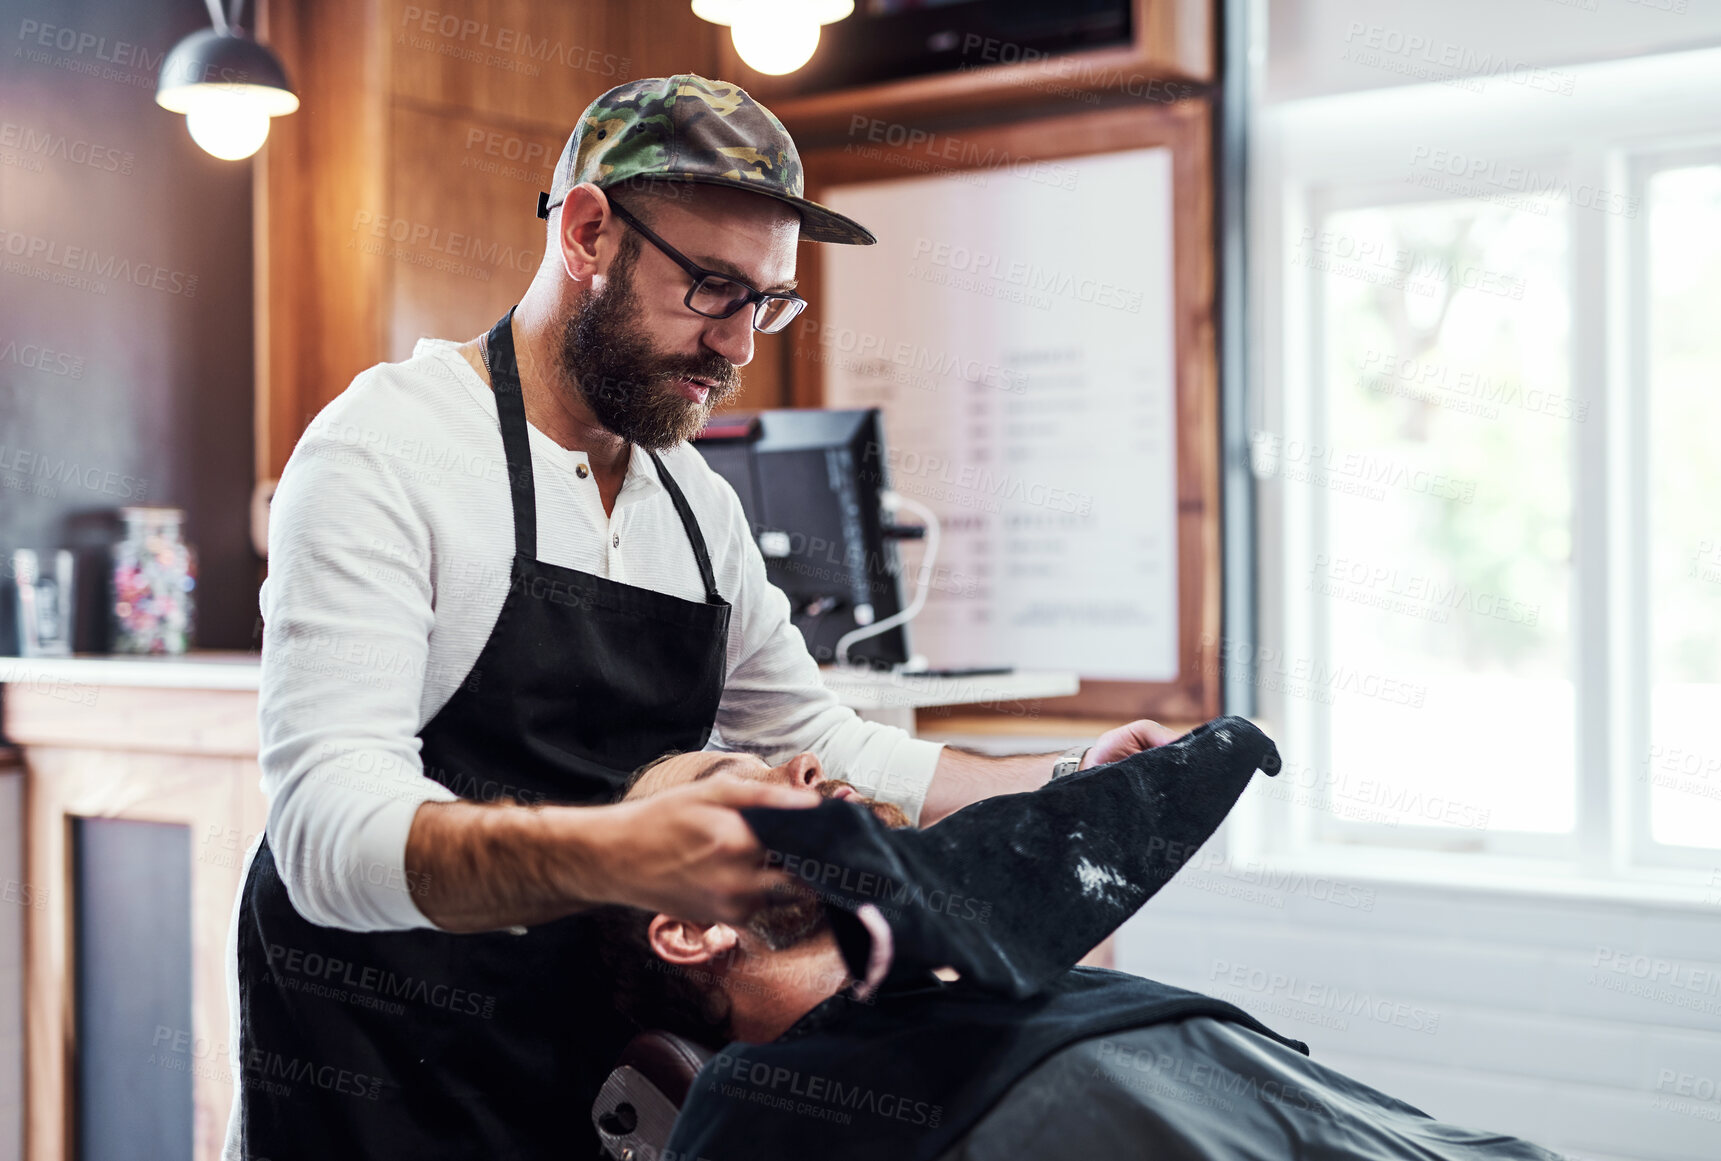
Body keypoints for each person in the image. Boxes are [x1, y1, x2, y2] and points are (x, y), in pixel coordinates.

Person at [225, 74, 1176, 1161]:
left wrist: (1061, 778)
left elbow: (817, 737)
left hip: (581, 1064)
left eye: (766, 301)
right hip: (373, 1061)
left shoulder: (694, 503)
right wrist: (620, 854)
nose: (739, 345)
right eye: (713, 288)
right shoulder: (390, 449)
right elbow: (323, 836)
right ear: (587, 230)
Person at [590, 721, 1566, 1161]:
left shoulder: (1017, 986)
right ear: (687, 928)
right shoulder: (761, 1111)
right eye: (733, 782)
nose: (802, 762)